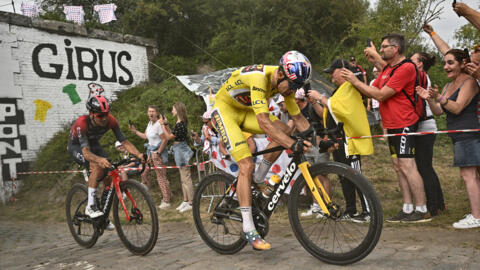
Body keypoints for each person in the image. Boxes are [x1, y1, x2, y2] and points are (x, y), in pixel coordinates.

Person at [211, 51, 312, 250]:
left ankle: (259, 178)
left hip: (244, 111)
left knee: (285, 131)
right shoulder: (259, 78)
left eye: (297, 87)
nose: (293, 91)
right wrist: (292, 145)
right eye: (293, 86)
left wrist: (317, 138)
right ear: (281, 74)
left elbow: (299, 119)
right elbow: (264, 122)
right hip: (225, 111)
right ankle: (249, 229)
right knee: (246, 164)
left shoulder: (285, 86)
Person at [342, 33, 431, 223]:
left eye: (384, 47)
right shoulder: (389, 69)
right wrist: (374, 55)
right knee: (399, 167)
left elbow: (381, 95)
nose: (381, 50)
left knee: (408, 165)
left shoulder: (407, 67)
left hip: (404, 122)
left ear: (395, 48)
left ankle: (422, 209)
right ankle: (407, 208)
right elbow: (383, 76)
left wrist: (355, 80)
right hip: (392, 124)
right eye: (380, 47)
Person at [416, 49, 480, 229]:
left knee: (468, 175)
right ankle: (477, 212)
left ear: (462, 63)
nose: (446, 67)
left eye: (451, 63)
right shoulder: (447, 86)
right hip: (457, 135)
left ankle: (476, 216)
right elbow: (438, 111)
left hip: (468, 133)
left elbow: (458, 107)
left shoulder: (469, 82)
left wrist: (439, 97)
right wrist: (429, 99)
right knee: (471, 175)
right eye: (445, 63)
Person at [308, 59, 374, 223]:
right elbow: (329, 111)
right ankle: (351, 210)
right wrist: (317, 101)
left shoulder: (351, 87)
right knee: (344, 176)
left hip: (349, 140)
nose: (330, 76)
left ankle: (368, 211)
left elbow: (341, 109)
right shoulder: (339, 90)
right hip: (338, 140)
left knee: (355, 175)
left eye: (333, 72)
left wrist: (320, 97)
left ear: (343, 71)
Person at [67, 95, 145, 222]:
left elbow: (124, 142)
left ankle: (102, 214)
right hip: (77, 147)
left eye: (106, 114)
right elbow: (86, 153)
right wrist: (99, 160)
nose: (104, 118)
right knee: (97, 166)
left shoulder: (111, 120)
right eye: (100, 116)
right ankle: (90, 207)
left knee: (109, 173)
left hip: (94, 144)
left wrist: (139, 155)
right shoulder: (82, 123)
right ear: (91, 114)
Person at [411, 52, 446, 216]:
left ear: (419, 64)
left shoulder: (422, 77)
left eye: (412, 60)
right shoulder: (421, 76)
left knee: (424, 167)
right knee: (425, 167)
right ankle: (439, 202)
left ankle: (434, 206)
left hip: (425, 126)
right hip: (422, 126)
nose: (408, 62)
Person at [129, 105, 171, 209]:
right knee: (144, 172)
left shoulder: (158, 124)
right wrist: (135, 131)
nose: (150, 113)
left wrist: (158, 152)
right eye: (149, 111)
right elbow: (145, 136)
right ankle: (149, 195)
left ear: (157, 113)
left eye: (152, 111)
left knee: (161, 177)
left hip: (157, 154)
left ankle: (166, 201)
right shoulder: (150, 123)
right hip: (149, 153)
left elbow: (165, 139)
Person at [160, 102, 195, 213]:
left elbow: (168, 137)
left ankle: (191, 202)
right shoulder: (179, 123)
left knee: (186, 177)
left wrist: (161, 125)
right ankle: (186, 200)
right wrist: (166, 125)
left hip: (181, 149)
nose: (172, 111)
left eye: (173, 109)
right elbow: (172, 133)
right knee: (182, 178)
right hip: (178, 149)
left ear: (178, 110)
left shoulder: (180, 124)